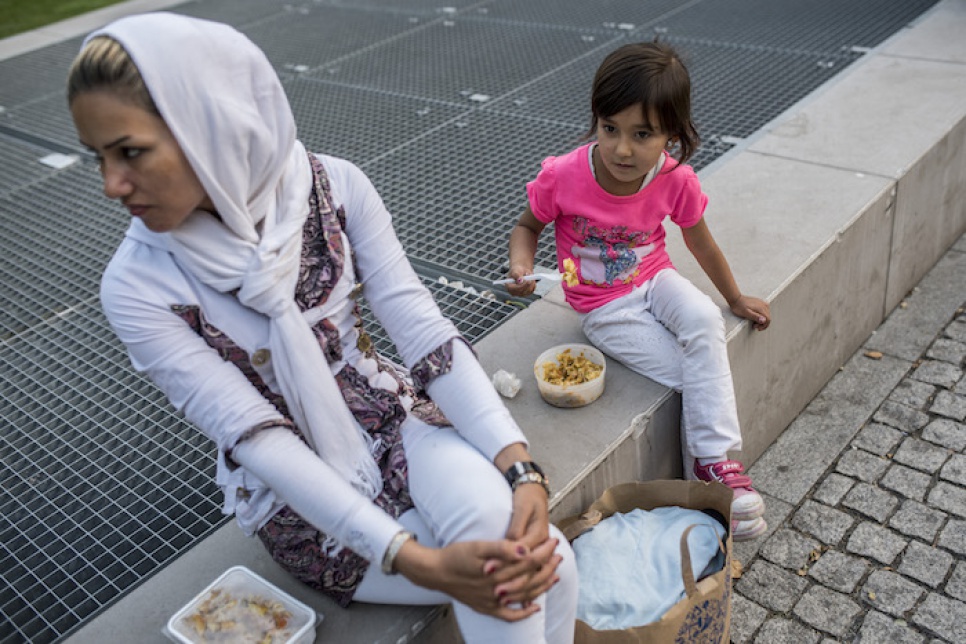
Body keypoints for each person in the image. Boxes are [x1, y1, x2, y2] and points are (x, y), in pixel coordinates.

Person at [66, 12, 577, 642]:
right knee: (516, 582)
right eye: (99, 156)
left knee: (544, 562)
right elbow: (258, 438)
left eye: (131, 151)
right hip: (300, 501)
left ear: (208, 128)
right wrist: (420, 563)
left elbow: (421, 331)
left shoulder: (334, 185)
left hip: (394, 418)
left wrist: (519, 467)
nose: (112, 184)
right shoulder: (137, 285)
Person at [505, 42, 772, 541]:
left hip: (655, 279)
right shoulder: (563, 175)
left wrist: (734, 299)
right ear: (597, 121)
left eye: (642, 134)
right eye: (610, 129)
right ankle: (714, 473)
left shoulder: (676, 180)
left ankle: (712, 465)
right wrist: (521, 265)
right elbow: (526, 227)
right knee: (692, 370)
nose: (622, 149)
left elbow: (701, 242)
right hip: (601, 306)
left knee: (704, 322)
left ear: (672, 134)